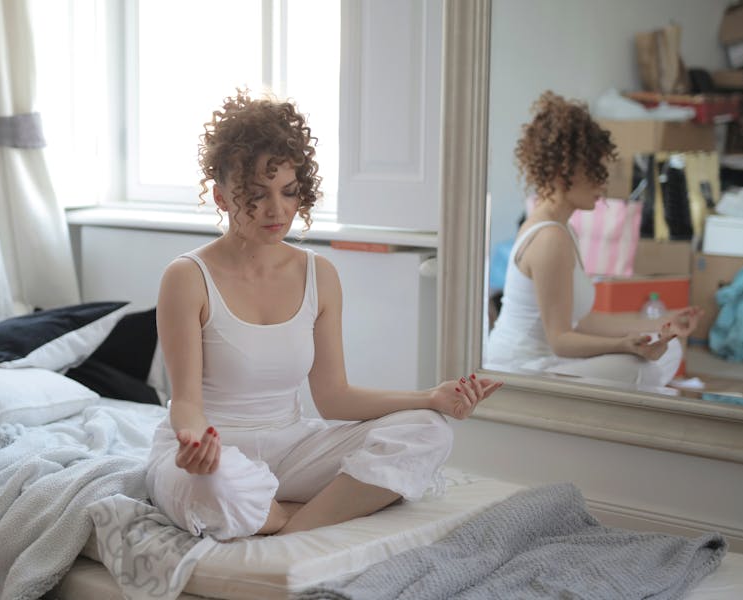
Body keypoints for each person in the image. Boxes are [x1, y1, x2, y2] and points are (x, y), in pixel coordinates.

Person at [144, 89, 502, 541]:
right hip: (215, 451)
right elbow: (187, 403)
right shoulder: (187, 277)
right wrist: (194, 444)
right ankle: (290, 512)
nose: (277, 210)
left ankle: (290, 524)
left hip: (291, 446)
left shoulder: (320, 274)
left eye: (289, 192)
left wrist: (430, 397)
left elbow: (334, 398)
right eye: (256, 194)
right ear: (220, 196)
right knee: (214, 488)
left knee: (429, 433)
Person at [485, 91, 702, 389]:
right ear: (564, 172)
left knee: (668, 350)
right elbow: (561, 341)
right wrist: (625, 346)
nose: (603, 182)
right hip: (522, 369)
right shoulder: (550, 238)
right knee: (640, 369)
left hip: (547, 360)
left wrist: (663, 322)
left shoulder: (561, 228)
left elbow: (584, 322)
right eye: (595, 172)